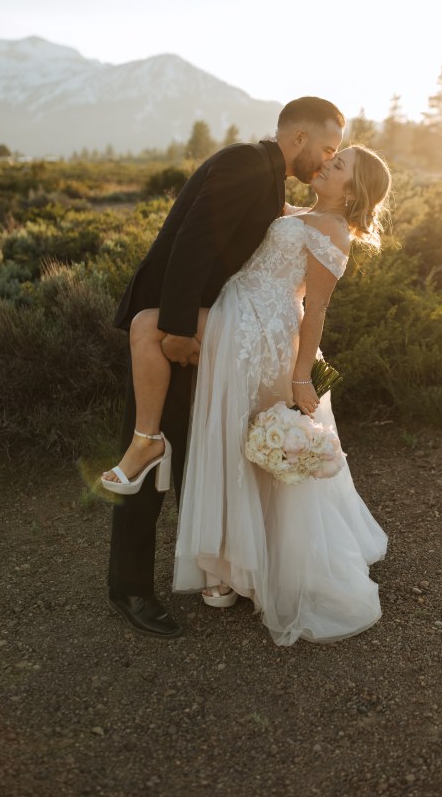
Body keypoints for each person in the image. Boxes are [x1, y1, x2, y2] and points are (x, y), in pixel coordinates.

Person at [105, 97, 344, 638]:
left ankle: (215, 570)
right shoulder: (246, 164)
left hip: (216, 332)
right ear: (299, 138)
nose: (329, 158)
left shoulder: (269, 175)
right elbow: (191, 244)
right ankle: (130, 588)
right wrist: (177, 329)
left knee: (198, 450)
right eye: (327, 147)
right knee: (151, 447)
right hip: (176, 328)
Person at [172, 144, 390, 644]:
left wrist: (301, 376)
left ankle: (243, 566)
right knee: (231, 437)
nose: (327, 164)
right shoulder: (301, 211)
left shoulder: (333, 230)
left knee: (247, 442)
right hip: (238, 315)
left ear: (352, 191)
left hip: (262, 333)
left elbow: (316, 309)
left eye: (339, 166)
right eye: (332, 158)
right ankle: (229, 563)